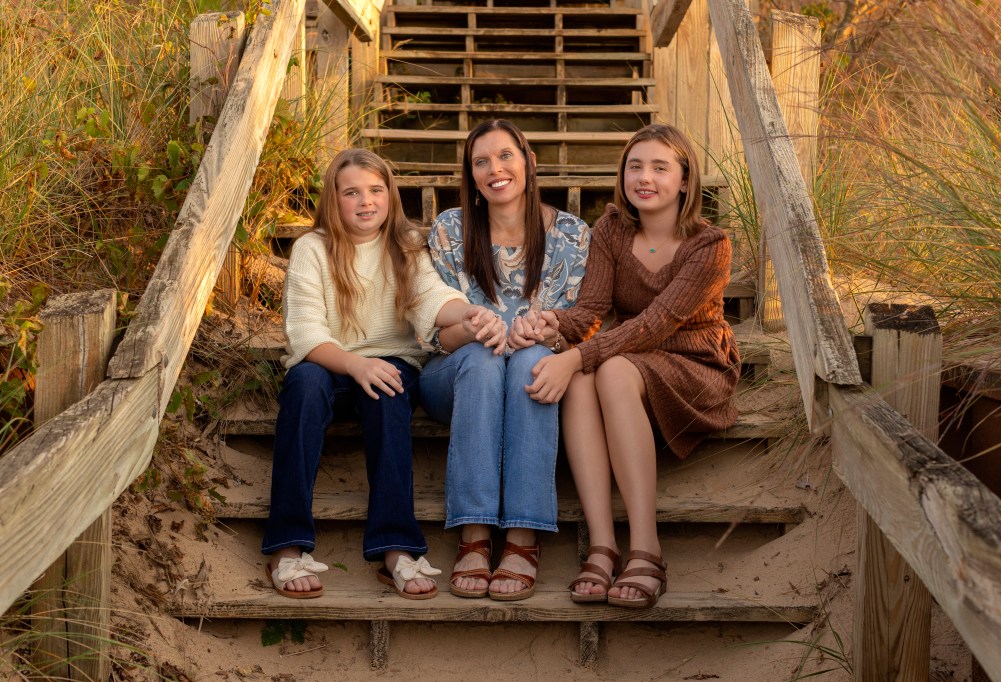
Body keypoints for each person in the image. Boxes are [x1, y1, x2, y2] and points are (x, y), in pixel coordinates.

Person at [261, 148, 505, 600]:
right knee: (303, 385)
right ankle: (288, 545)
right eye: (352, 192)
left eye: (376, 191)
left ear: (390, 196)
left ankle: (396, 547)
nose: (365, 201)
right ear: (333, 200)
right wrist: (355, 364)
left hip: (391, 361)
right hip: (327, 361)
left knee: (389, 389)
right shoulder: (311, 249)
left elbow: (432, 299)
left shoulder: (406, 246)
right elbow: (304, 333)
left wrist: (472, 312)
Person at [523, 123, 740, 609]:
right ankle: (602, 546)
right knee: (581, 381)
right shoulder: (612, 230)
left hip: (696, 361)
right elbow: (591, 310)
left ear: (685, 180)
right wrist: (549, 323)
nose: (644, 177)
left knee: (606, 368)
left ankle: (647, 549)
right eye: (635, 166)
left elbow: (660, 323)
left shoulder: (711, 245)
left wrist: (581, 354)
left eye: (660, 167)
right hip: (634, 356)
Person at [418, 119, 590, 601]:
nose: (495, 169)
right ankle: (473, 532)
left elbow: (582, 321)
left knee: (531, 358)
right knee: (483, 359)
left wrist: (550, 330)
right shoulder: (451, 229)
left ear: (529, 162)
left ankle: (521, 537)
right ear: (471, 177)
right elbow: (433, 332)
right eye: (481, 162)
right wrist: (470, 327)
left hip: (529, 373)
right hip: (453, 377)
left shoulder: (572, 235)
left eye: (505, 156)